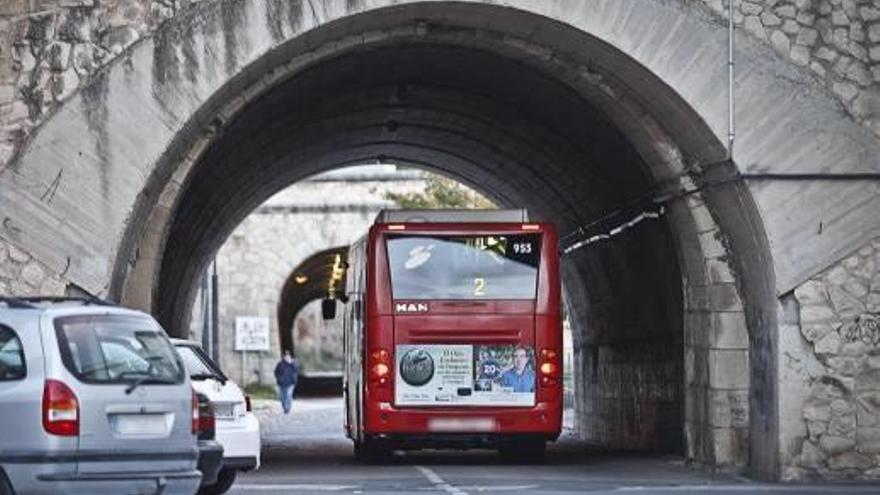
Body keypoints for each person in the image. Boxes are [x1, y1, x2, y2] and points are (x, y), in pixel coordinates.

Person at [274, 350, 299, 414]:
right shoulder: (280, 364)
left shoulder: (293, 363)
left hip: (291, 382)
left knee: (288, 395)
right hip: (282, 383)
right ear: (283, 357)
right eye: (285, 356)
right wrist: (279, 379)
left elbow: (296, 370)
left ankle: (287, 408)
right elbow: (276, 372)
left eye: (288, 356)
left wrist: (291, 363)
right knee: (282, 397)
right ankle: (284, 407)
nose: (287, 357)